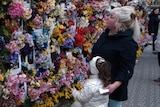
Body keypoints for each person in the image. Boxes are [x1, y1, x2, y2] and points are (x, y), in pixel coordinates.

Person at [91, 6, 140, 107]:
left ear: (119, 23)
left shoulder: (127, 43)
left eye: (111, 17)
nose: (107, 18)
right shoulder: (106, 34)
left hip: (112, 90)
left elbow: (127, 68)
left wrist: (115, 85)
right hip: (97, 83)